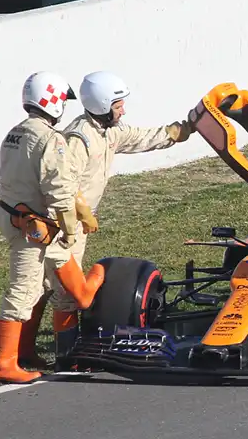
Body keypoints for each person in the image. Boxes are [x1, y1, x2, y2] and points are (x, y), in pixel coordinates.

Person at [44, 70, 194, 358]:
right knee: (63, 292)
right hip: (63, 223)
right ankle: (66, 355)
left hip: (73, 222)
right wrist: (82, 213)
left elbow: (141, 137)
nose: (123, 110)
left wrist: (181, 131)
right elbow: (63, 183)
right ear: (101, 105)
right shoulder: (78, 138)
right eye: (118, 105)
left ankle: (44, 352)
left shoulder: (108, 131)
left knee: (50, 287)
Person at [0, 72, 106, 384]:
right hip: (33, 227)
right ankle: (4, 364)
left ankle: (25, 351)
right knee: (24, 289)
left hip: (12, 215)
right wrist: (71, 229)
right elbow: (59, 191)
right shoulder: (50, 140)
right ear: (53, 102)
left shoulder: (14, 133)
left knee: (47, 283)